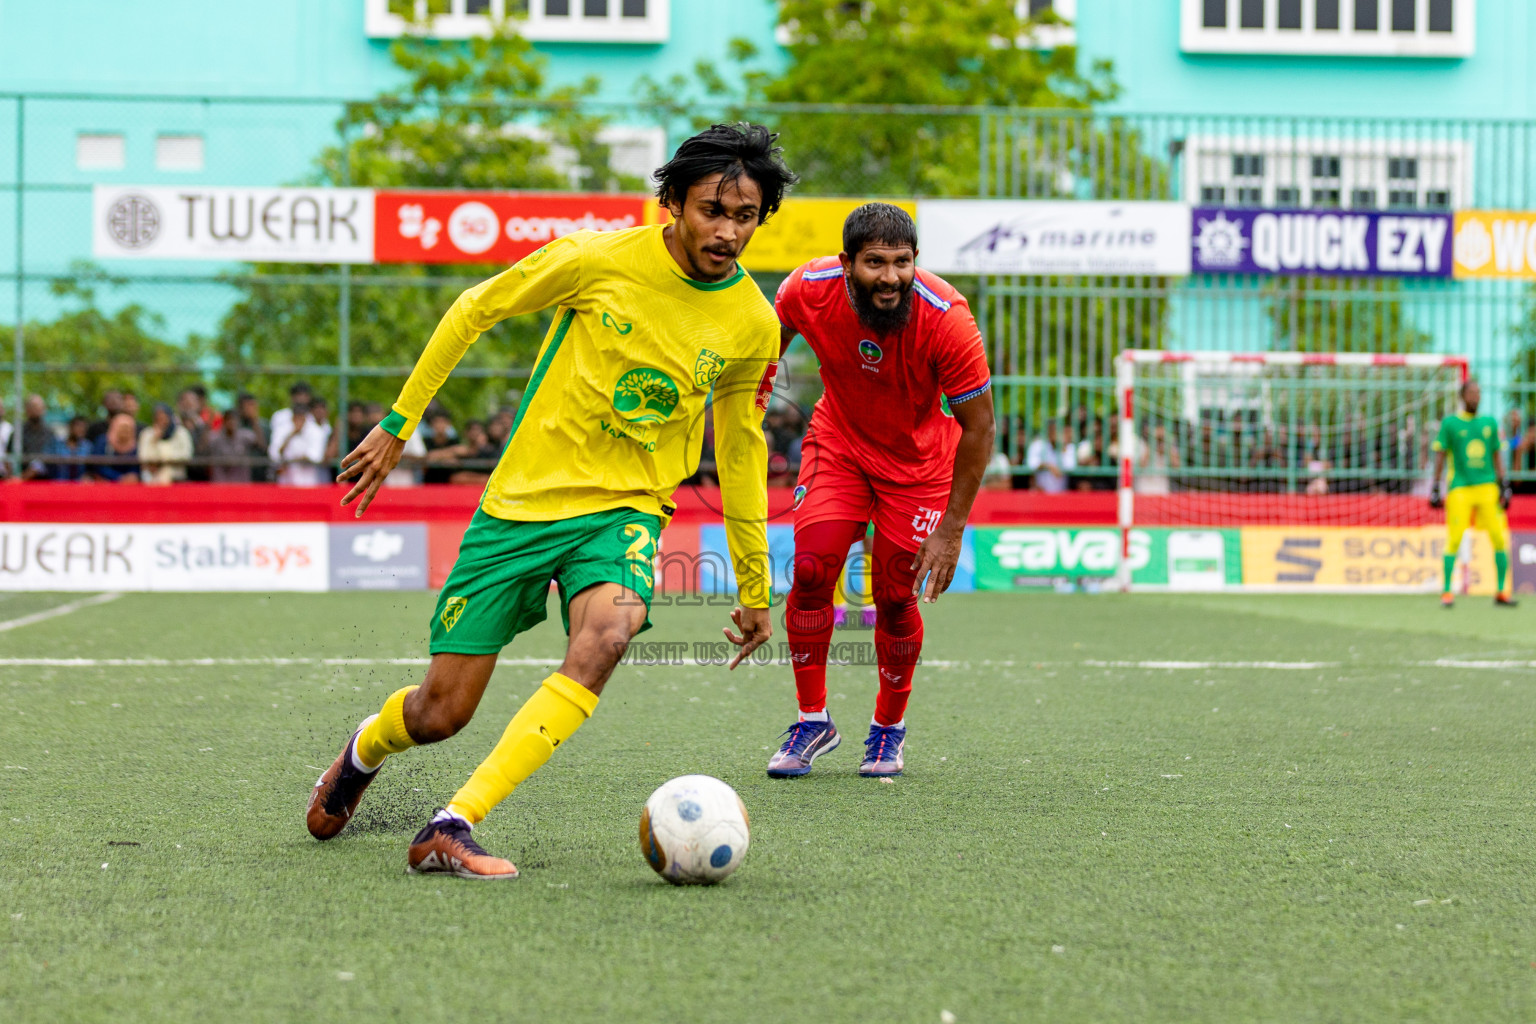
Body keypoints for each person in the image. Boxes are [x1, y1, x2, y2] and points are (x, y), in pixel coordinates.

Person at [307, 122, 796, 879]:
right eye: (711, 210)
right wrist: (400, 425)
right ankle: (365, 751)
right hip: (521, 505)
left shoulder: (752, 324)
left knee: (608, 635)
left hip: (625, 511)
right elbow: (475, 308)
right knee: (441, 712)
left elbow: (739, 450)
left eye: (744, 217)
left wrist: (755, 584)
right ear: (671, 203)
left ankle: (453, 822)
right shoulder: (595, 258)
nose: (728, 231)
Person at [766, 202, 993, 779]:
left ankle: (888, 730)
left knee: (894, 597)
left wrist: (951, 528)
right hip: (838, 443)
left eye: (902, 262)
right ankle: (812, 721)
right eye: (874, 263)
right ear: (846, 264)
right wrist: (749, 400)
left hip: (917, 466)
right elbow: (763, 345)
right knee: (814, 569)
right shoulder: (804, 289)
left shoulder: (948, 319)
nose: (890, 277)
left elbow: (980, 428)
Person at [1430, 379, 1516, 608]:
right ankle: (1447, 591)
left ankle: (1501, 591)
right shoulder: (1450, 424)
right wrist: (1436, 485)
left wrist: (1504, 484)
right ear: (1462, 396)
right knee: (1455, 538)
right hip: (1460, 487)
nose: (1476, 397)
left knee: (1499, 537)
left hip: (1487, 487)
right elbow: (1440, 453)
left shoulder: (1489, 422)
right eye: (1471, 393)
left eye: (1478, 393)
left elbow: (1497, 454)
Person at [268, 382, 330, 486]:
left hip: (308, 484)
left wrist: (290, 460)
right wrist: (292, 434)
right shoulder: (282, 426)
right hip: (285, 483)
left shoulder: (315, 429)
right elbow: (274, 453)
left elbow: (315, 456)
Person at [138, 403, 194, 485]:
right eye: (158, 418)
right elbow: (144, 456)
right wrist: (155, 440)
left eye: (164, 417)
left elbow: (186, 454)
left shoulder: (181, 433)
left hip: (177, 478)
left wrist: (165, 457)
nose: (162, 421)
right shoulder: (147, 434)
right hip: (152, 479)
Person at [207, 408, 260, 483]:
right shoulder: (215, 437)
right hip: (220, 483)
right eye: (228, 419)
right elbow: (201, 448)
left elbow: (261, 446)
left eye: (234, 420)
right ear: (224, 421)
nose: (231, 422)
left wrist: (254, 421)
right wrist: (209, 423)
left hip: (241, 483)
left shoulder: (246, 436)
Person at [91, 412, 140, 483]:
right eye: (122, 427)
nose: (125, 431)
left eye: (128, 428)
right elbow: (98, 465)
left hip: (128, 484)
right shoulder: (103, 442)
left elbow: (135, 467)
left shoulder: (136, 445)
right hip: (105, 481)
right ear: (115, 427)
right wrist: (118, 477)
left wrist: (132, 475)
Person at [1026, 421, 1071, 494]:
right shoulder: (1037, 445)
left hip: (1062, 494)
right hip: (1040, 493)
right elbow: (1031, 465)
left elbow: (1070, 466)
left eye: (1056, 430)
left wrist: (1063, 447)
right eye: (1051, 430)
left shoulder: (1068, 447)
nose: (1054, 433)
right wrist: (1048, 466)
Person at [20, 394, 56, 480]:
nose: (38, 409)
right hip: (20, 481)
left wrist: (26, 475)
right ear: (27, 409)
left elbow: (51, 456)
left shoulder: (50, 432)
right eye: (34, 407)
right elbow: (10, 454)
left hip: (44, 480)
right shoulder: (19, 432)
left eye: (40, 406)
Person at [47, 416, 92, 481]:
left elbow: (91, 468)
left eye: (83, 427)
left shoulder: (88, 446)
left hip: (80, 484)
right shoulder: (57, 444)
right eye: (78, 426)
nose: (81, 429)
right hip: (58, 482)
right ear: (70, 427)